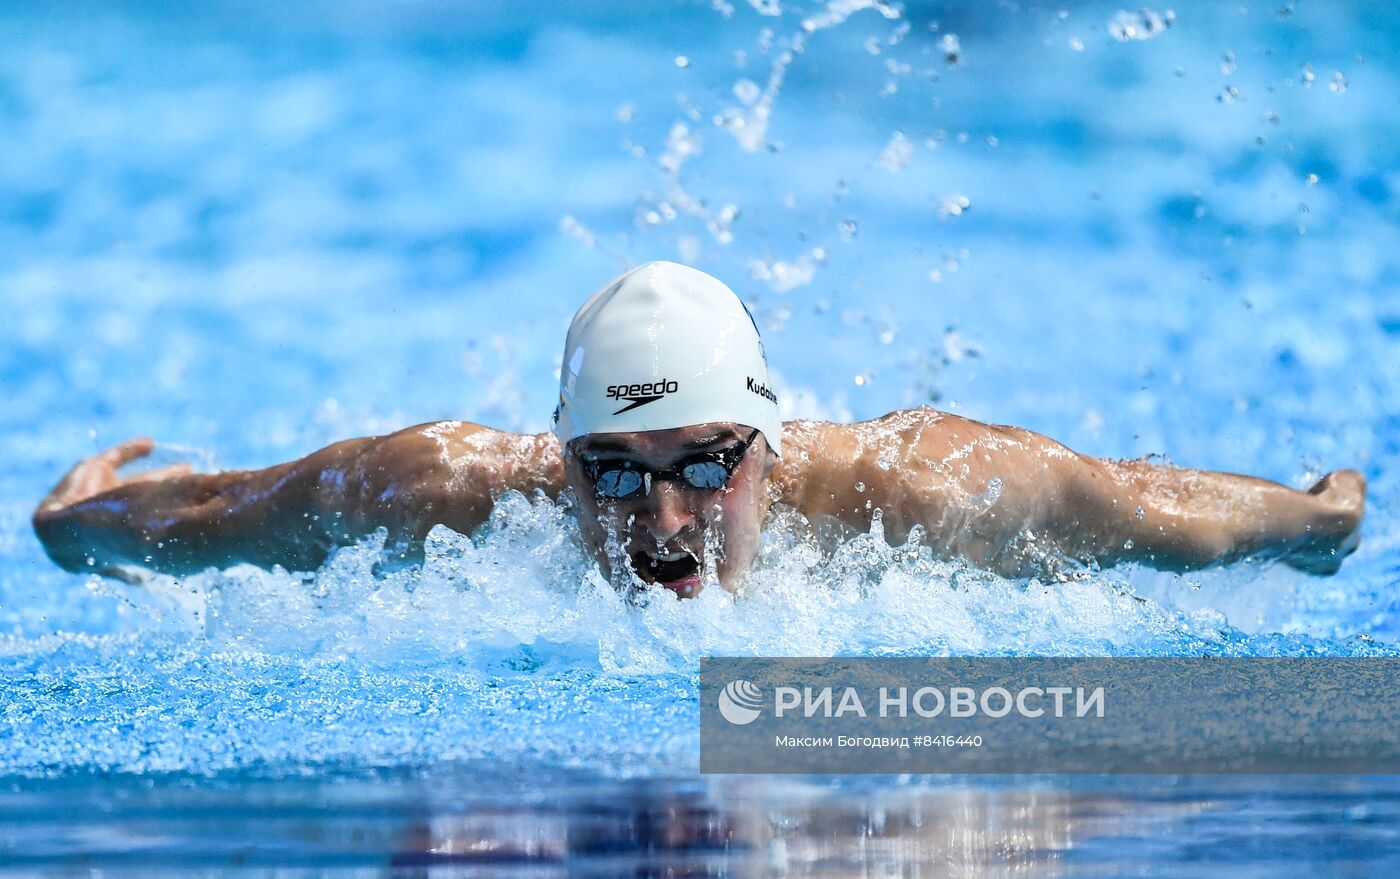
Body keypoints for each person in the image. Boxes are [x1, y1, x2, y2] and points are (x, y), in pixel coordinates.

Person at [33, 261, 1365, 596]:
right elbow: (216, 520)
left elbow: (1147, 509)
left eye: (703, 469)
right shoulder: (441, 492)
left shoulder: (920, 490)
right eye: (611, 472)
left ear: (765, 448)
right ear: (556, 460)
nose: (660, 526)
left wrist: (1315, 522)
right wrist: (77, 530)